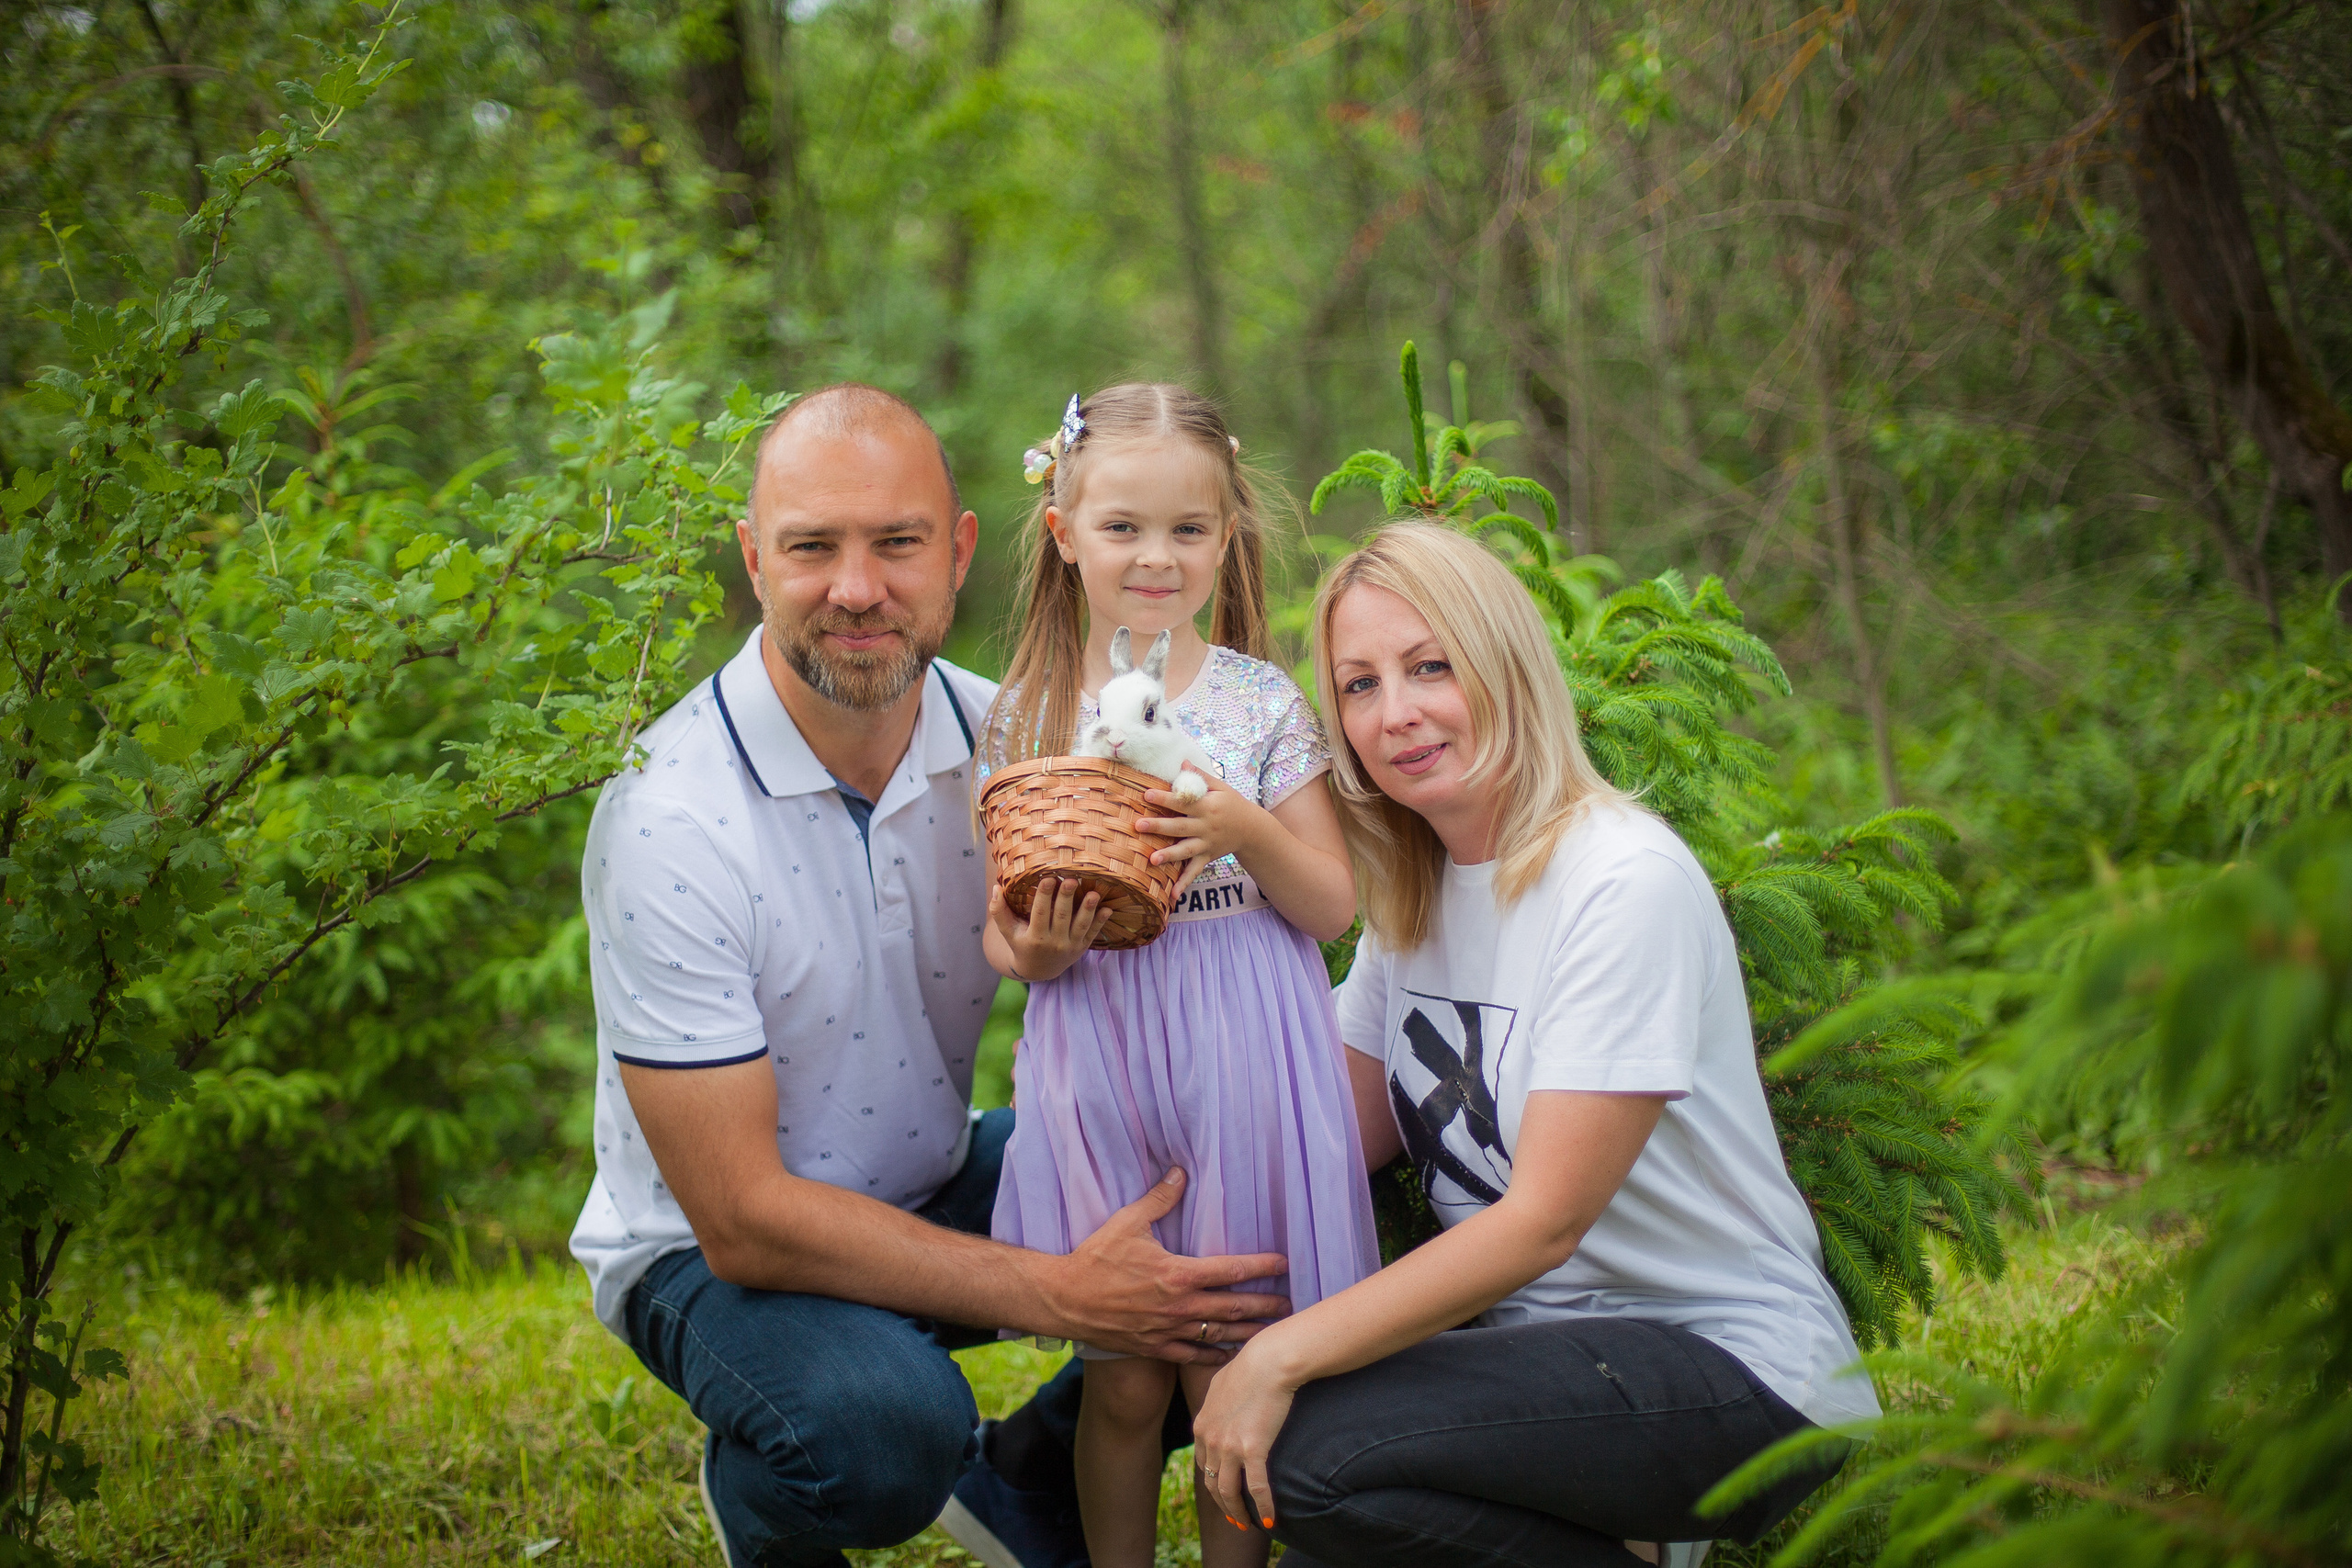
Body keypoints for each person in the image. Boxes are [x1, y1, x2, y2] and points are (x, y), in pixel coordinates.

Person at [567, 383, 1292, 1568]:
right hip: (704, 1251)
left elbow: (1174, 969)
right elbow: (744, 1219)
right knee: (884, 1432)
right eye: (812, 547)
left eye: (897, 542)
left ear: (958, 553)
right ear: (755, 560)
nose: (858, 588)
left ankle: (1031, 1478)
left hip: (936, 1169)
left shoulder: (1018, 746)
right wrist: (1064, 1291)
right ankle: (772, 1494)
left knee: (1247, 1228)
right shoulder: (669, 813)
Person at [1190, 521, 1878, 1567]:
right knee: (1298, 1445)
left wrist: (1274, 1358)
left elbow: (1542, 1224)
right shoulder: (1413, 899)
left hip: (1732, 1369)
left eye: (1429, 666)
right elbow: (1316, 1130)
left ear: (1503, 662)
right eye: (1360, 686)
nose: (1397, 712)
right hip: (1545, 1369)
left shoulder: (1619, 882)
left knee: (1308, 1454)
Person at [974, 384, 1381, 1568]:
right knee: (1123, 1384)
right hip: (1099, 1044)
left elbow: (1330, 906)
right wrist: (1038, 951)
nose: (1157, 557)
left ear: (1226, 539)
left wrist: (1241, 826)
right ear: (1064, 532)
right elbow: (1003, 937)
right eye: (1123, 528)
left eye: (1188, 531)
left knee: (1219, 1368)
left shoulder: (1260, 702)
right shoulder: (1026, 717)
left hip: (1241, 1043)